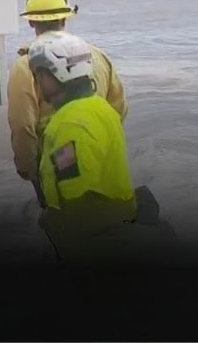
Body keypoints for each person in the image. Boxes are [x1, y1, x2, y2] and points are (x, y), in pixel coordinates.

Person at [8, 0, 127, 202]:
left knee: (69, 218)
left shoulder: (26, 66)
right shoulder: (98, 56)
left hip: (55, 166)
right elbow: (118, 111)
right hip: (104, 157)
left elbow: (23, 127)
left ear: (31, 21)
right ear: (65, 18)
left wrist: (30, 171)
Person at [27, 31, 137, 262]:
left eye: (40, 75)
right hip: (121, 225)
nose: (37, 83)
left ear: (59, 74)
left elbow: (77, 196)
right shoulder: (100, 107)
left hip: (93, 244)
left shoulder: (69, 124)